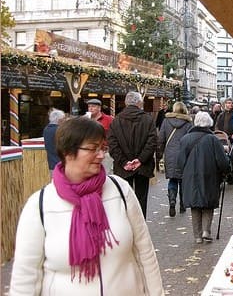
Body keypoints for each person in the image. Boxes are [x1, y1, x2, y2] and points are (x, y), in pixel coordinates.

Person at [9, 116, 164, 295]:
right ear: (68, 152)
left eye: (102, 148)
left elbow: (145, 253)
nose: (101, 155)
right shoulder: (40, 205)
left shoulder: (120, 190)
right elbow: (25, 279)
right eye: (92, 149)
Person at [177, 111, 230, 244]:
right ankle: (206, 230)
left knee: (195, 205)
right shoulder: (213, 139)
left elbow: (180, 161)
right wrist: (226, 171)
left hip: (191, 176)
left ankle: (197, 236)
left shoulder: (185, 139)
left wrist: (184, 173)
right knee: (208, 203)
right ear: (209, 123)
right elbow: (222, 161)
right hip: (210, 175)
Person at [108, 92, 157, 219]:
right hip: (143, 167)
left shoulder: (116, 120)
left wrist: (124, 162)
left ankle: (126, 223)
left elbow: (112, 145)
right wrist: (141, 160)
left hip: (123, 168)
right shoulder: (147, 119)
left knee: (124, 197)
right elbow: (152, 142)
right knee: (141, 198)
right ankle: (140, 225)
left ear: (126, 103)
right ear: (139, 103)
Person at [157, 101, 193, 217]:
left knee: (172, 179)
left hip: (170, 154)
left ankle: (172, 201)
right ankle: (183, 204)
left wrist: (160, 153)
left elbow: (161, 138)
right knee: (183, 180)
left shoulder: (166, 121)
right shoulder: (188, 123)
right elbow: (191, 140)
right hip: (184, 154)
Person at [87, 98, 114, 174]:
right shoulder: (86, 120)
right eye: (89, 107)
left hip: (105, 152)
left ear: (99, 108)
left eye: (93, 106)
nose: (90, 109)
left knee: (105, 174)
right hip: (90, 152)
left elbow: (114, 135)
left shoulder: (109, 119)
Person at [42, 108, 66, 176]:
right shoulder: (60, 130)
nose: (64, 120)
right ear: (60, 120)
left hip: (51, 164)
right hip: (61, 164)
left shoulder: (46, 129)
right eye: (63, 119)